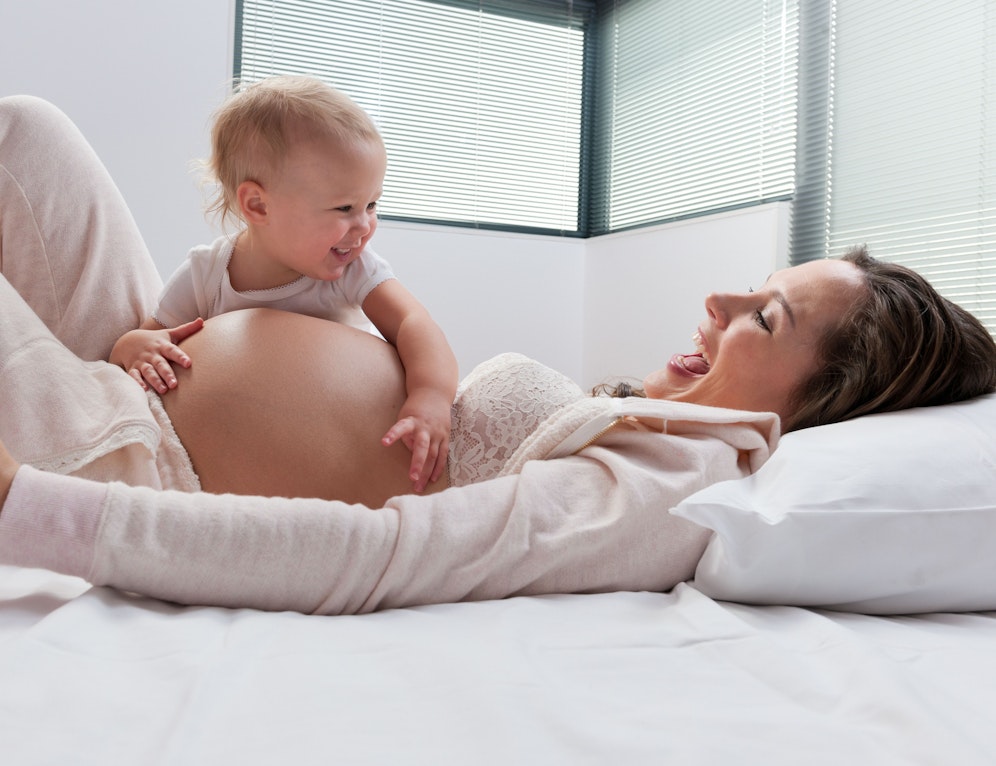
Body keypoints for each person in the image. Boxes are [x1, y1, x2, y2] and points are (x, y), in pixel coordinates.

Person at [1, 94, 993, 615]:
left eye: (765, 319)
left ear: (832, 400)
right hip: (137, 361)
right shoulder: (635, 423)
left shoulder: (684, 481)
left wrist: (27, 507)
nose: (720, 301)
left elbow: (392, 555)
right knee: (26, 135)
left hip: (134, 445)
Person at [108, 75, 458, 493]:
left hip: (346, 448)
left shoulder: (354, 270)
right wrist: (128, 346)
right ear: (257, 205)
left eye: (372, 203)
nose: (364, 225)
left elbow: (413, 323)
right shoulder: (208, 272)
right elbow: (148, 339)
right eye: (344, 207)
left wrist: (432, 396)